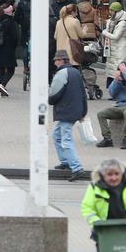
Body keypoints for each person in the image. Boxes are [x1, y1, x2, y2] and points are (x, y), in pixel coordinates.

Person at [49, 49, 88, 181]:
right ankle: (65, 161)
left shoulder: (61, 73)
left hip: (66, 111)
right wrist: (83, 111)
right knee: (56, 135)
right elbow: (83, 94)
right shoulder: (76, 72)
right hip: (75, 110)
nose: (54, 62)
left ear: (61, 61)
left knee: (66, 140)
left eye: (56, 60)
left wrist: (50, 101)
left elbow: (54, 93)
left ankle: (77, 168)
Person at [98, 63, 126, 150]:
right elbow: (112, 93)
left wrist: (125, 73)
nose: (120, 72)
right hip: (120, 106)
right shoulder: (119, 81)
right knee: (101, 114)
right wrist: (116, 80)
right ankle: (107, 139)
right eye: (120, 70)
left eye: (122, 70)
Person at [0, 3, 21, 98]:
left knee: (1, 70)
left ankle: (1, 90)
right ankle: (2, 85)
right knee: (11, 70)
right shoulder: (10, 22)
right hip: (8, 49)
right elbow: (15, 37)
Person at [103, 2, 126, 80]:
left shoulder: (123, 23)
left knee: (119, 71)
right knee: (111, 72)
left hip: (120, 49)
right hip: (112, 49)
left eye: (111, 10)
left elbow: (116, 36)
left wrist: (105, 33)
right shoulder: (111, 21)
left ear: (116, 11)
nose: (110, 12)